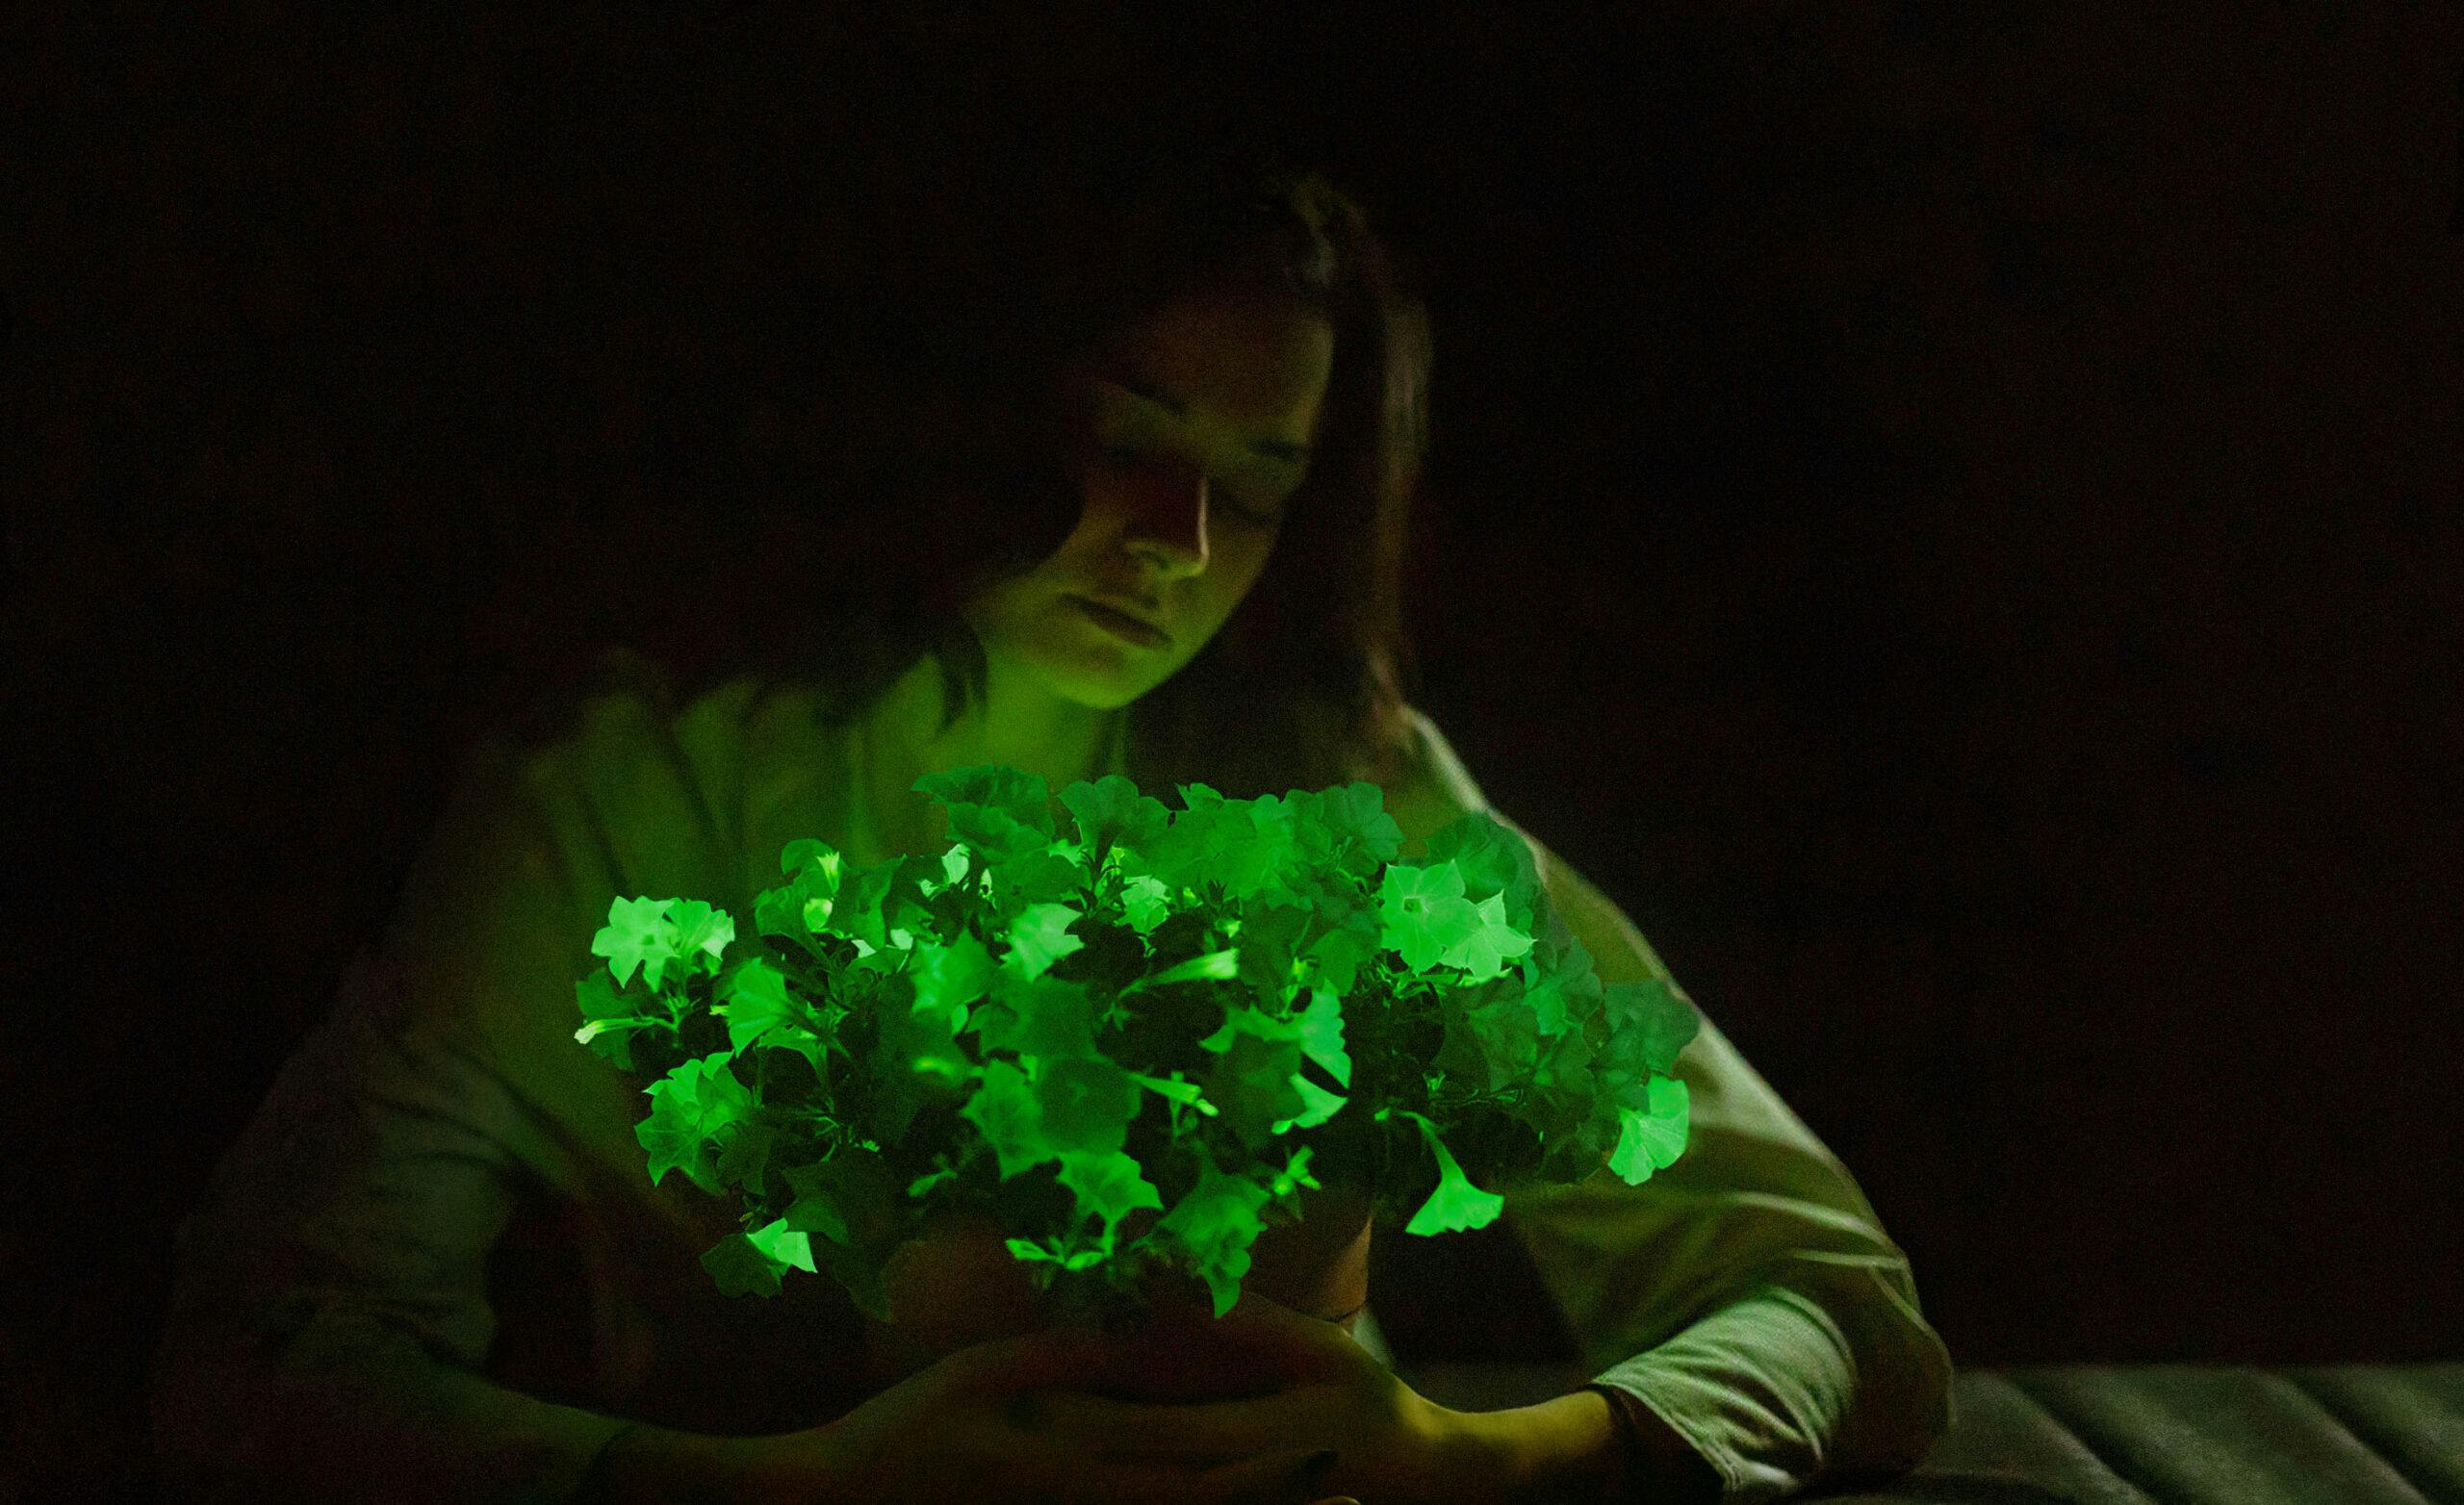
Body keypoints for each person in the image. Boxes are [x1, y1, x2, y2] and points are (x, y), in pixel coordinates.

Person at [147, 130, 1953, 1505]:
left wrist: (1469, 1460)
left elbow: (1837, 1307)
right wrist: (809, 1490)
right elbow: (259, 1360)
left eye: (1259, 484)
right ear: (961, 396)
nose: (1176, 548)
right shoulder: (639, 804)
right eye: (1127, 432)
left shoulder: (1350, 794)